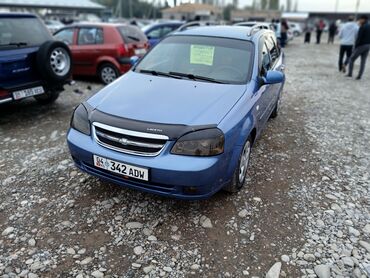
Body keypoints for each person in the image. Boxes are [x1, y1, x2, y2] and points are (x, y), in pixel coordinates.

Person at [346, 15, 370, 80]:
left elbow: (359, 38)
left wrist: (355, 47)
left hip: (361, 45)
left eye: (360, 19)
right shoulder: (368, 26)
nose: (359, 20)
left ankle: (350, 73)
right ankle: (359, 75)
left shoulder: (362, 27)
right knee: (363, 61)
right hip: (368, 45)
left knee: (351, 59)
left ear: (363, 19)